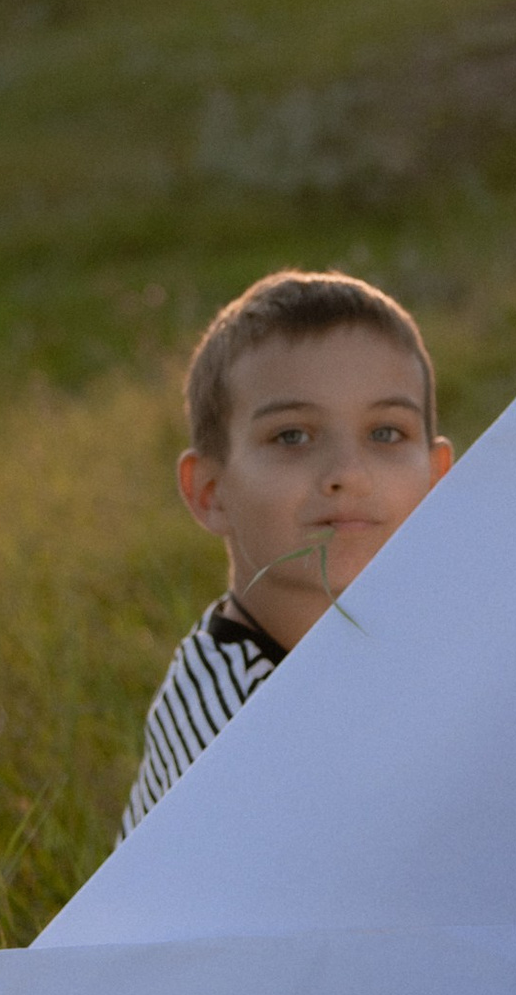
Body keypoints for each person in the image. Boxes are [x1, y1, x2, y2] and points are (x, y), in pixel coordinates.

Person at [119, 267, 452, 833]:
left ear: (438, 479)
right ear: (210, 492)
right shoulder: (230, 726)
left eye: (386, 433)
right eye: (292, 436)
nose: (347, 474)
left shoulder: (431, 635)